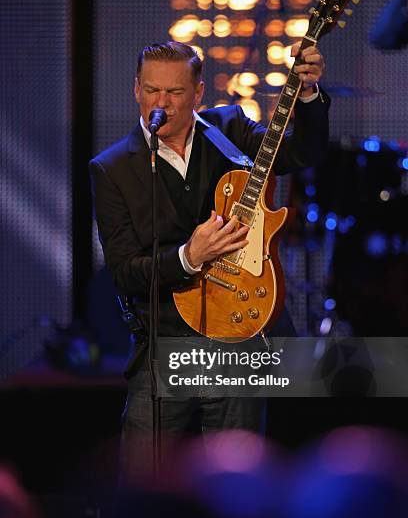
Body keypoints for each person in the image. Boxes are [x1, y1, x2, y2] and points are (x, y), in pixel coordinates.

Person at [89, 41, 329, 479]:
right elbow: (125, 273)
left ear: (198, 92)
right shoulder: (112, 169)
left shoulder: (230, 129)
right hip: (164, 343)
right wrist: (188, 256)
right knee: (144, 482)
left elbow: (299, 154)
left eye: (175, 93)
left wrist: (309, 94)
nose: (160, 104)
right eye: (150, 90)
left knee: (236, 483)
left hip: (235, 334)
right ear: (135, 90)